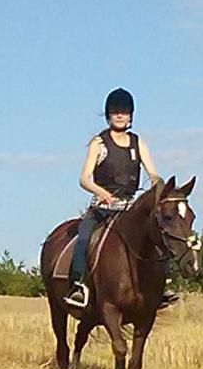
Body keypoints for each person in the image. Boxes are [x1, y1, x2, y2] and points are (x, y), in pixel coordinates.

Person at [64, 87, 172, 310]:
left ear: (131, 114)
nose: (120, 115)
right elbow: (84, 178)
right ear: (108, 115)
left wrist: (157, 184)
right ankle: (78, 286)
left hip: (130, 207)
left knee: (160, 233)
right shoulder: (99, 143)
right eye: (115, 112)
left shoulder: (137, 143)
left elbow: (152, 172)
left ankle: (161, 287)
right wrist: (101, 193)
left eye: (124, 111)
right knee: (84, 238)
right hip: (103, 208)